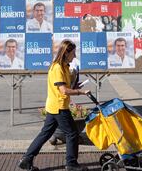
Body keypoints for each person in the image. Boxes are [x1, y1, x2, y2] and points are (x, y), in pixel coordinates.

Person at [17, 40, 89, 171]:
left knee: (45, 133)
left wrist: (75, 86)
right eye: (73, 52)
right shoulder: (57, 68)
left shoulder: (65, 67)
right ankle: (71, 164)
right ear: (66, 53)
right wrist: (81, 92)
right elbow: (63, 91)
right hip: (58, 107)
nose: (75, 55)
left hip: (54, 106)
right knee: (72, 133)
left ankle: (26, 159)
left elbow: (66, 87)